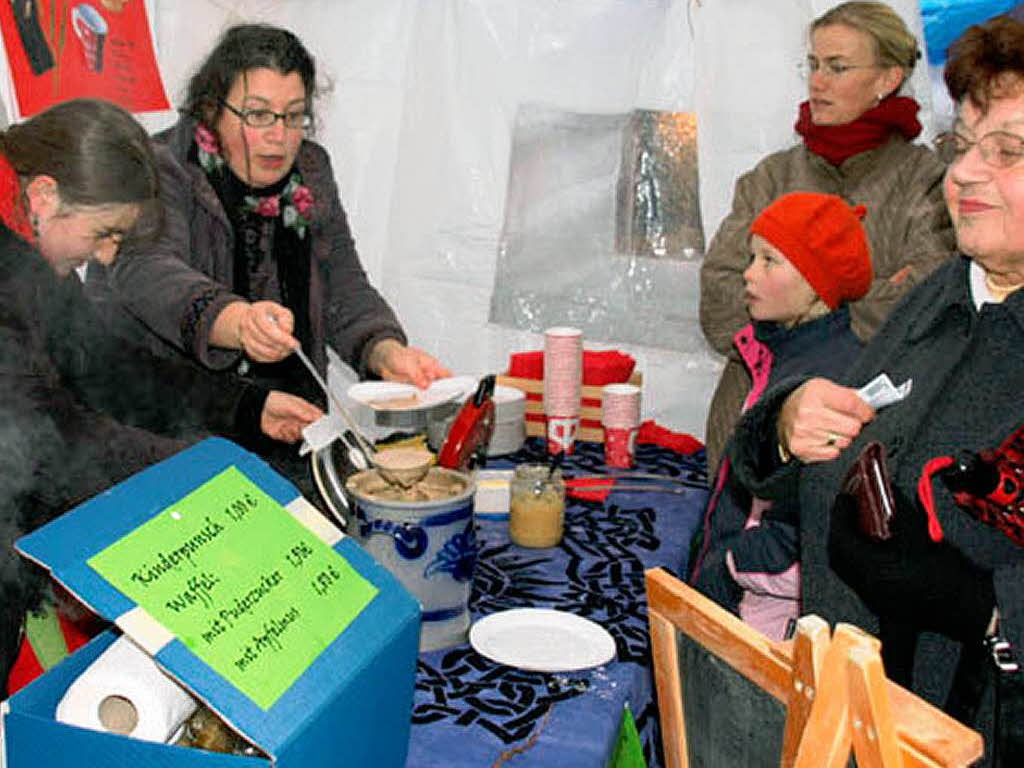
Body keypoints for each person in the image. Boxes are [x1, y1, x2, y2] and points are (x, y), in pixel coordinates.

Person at [727, 16, 1024, 764]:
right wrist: (787, 417)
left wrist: (986, 609)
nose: (960, 173)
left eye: (1008, 152)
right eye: (962, 145)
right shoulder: (944, 294)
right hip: (848, 719)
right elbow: (787, 443)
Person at [0, 98, 322, 697]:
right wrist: (189, 471)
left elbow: (109, 367)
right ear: (43, 196)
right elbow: (45, 433)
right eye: (104, 234)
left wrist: (245, 407)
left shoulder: (27, 245)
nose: (103, 256)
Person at [85, 24, 449, 411]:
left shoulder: (310, 170)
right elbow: (147, 270)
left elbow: (343, 288)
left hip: (290, 414)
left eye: (293, 116)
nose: (279, 135)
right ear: (212, 108)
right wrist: (238, 322)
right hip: (173, 416)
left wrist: (386, 352)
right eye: (258, 114)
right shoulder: (160, 168)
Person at [700, 1, 955, 477]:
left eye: (837, 67)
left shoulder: (929, 184)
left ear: (888, 79)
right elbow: (718, 303)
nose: (817, 82)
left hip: (869, 442)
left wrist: (785, 305)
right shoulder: (771, 178)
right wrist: (858, 298)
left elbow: (925, 311)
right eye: (814, 65)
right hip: (749, 434)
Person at [688, 192, 871, 640]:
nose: (749, 274)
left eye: (770, 261)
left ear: (816, 284)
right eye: (752, 257)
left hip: (765, 624)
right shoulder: (780, 356)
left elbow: (807, 536)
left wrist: (728, 568)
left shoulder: (828, 384)